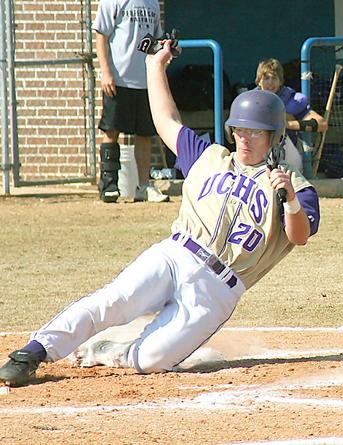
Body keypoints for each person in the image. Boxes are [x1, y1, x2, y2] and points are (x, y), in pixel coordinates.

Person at [0, 39, 320, 387]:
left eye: (255, 131)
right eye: (239, 129)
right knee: (113, 300)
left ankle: (113, 350)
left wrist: (289, 199)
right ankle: (31, 353)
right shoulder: (210, 157)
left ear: (274, 136)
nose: (244, 138)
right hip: (176, 254)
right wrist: (155, 66)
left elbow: (299, 236)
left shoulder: (293, 185)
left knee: (150, 360)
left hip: (218, 288)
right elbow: (167, 119)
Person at [95, 0, 169, 203]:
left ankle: (143, 186)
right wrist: (106, 72)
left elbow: (155, 39)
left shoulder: (152, 2)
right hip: (119, 78)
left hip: (145, 79)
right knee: (111, 129)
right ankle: (109, 185)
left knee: (145, 134)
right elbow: (101, 37)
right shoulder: (112, 0)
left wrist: (166, 49)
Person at [256, 58, 328, 172]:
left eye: (274, 78)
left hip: (285, 156)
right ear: (259, 81)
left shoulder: (292, 99)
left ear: (280, 81)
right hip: (257, 153)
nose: (270, 82)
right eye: (266, 78)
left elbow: (322, 124)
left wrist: (287, 124)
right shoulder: (250, 101)